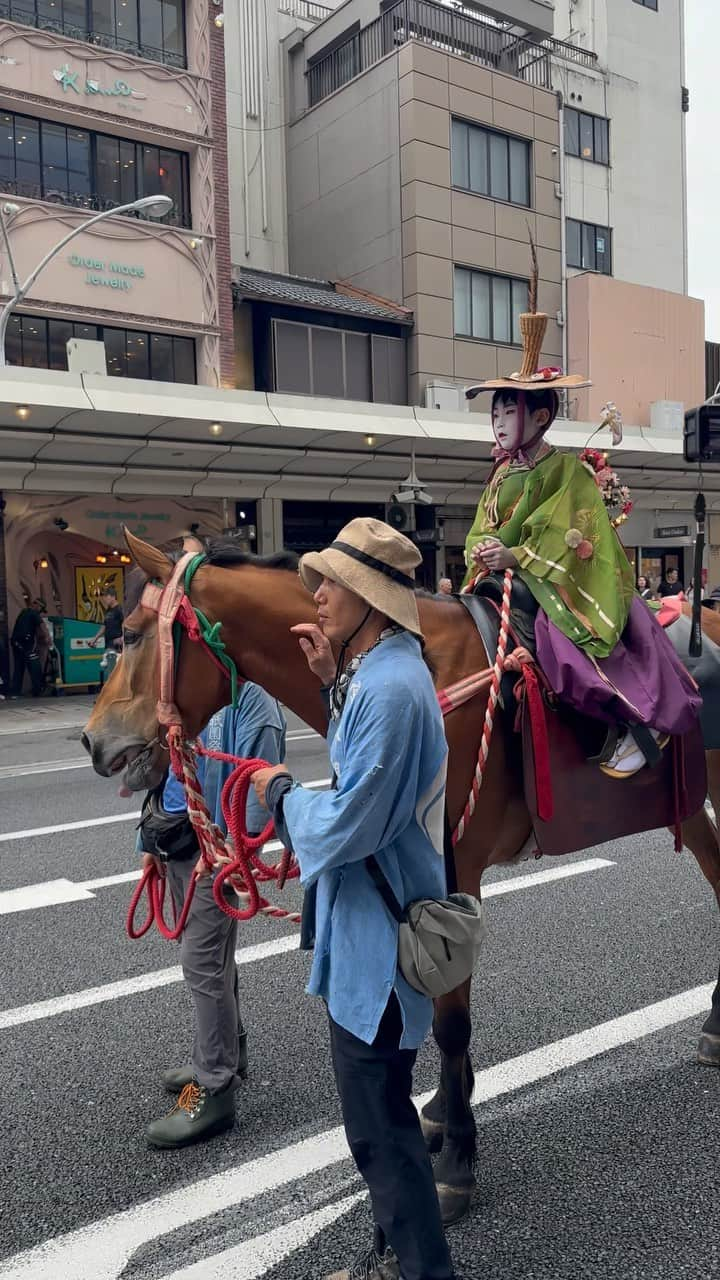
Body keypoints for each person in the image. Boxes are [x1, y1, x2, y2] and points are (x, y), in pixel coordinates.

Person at [251, 518, 461, 1280]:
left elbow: (346, 825)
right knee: (380, 1124)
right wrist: (331, 679)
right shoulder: (377, 675)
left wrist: (278, 794)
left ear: (373, 600)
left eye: (334, 582)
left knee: (383, 1132)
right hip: (369, 938)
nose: (320, 594)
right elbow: (361, 783)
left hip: (379, 950)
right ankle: (393, 1259)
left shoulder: (394, 689)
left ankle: (419, 1271)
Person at [463, 286, 701, 780]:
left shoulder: (565, 470)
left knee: (559, 640)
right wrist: (483, 550)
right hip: (507, 578)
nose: (499, 421)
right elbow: (479, 528)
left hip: (558, 581)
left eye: (510, 411)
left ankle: (634, 721)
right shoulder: (502, 473)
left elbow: (564, 532)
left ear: (541, 416)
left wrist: (517, 555)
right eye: (496, 412)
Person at [139, 683, 286, 1149]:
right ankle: (225, 1051)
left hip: (214, 852)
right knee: (214, 960)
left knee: (201, 961)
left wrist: (228, 851)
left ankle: (215, 1085)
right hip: (178, 840)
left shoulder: (255, 706)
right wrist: (148, 843)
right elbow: (167, 771)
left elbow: (255, 798)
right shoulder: (194, 690)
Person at [10, 598, 48, 697]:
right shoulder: (33, 613)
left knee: (19, 667)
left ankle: (15, 692)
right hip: (24, 643)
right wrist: (48, 639)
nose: (40, 612)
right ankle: (37, 690)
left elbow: (33, 629)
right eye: (41, 609)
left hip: (16, 642)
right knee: (34, 665)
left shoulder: (24, 612)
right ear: (37, 605)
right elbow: (42, 626)